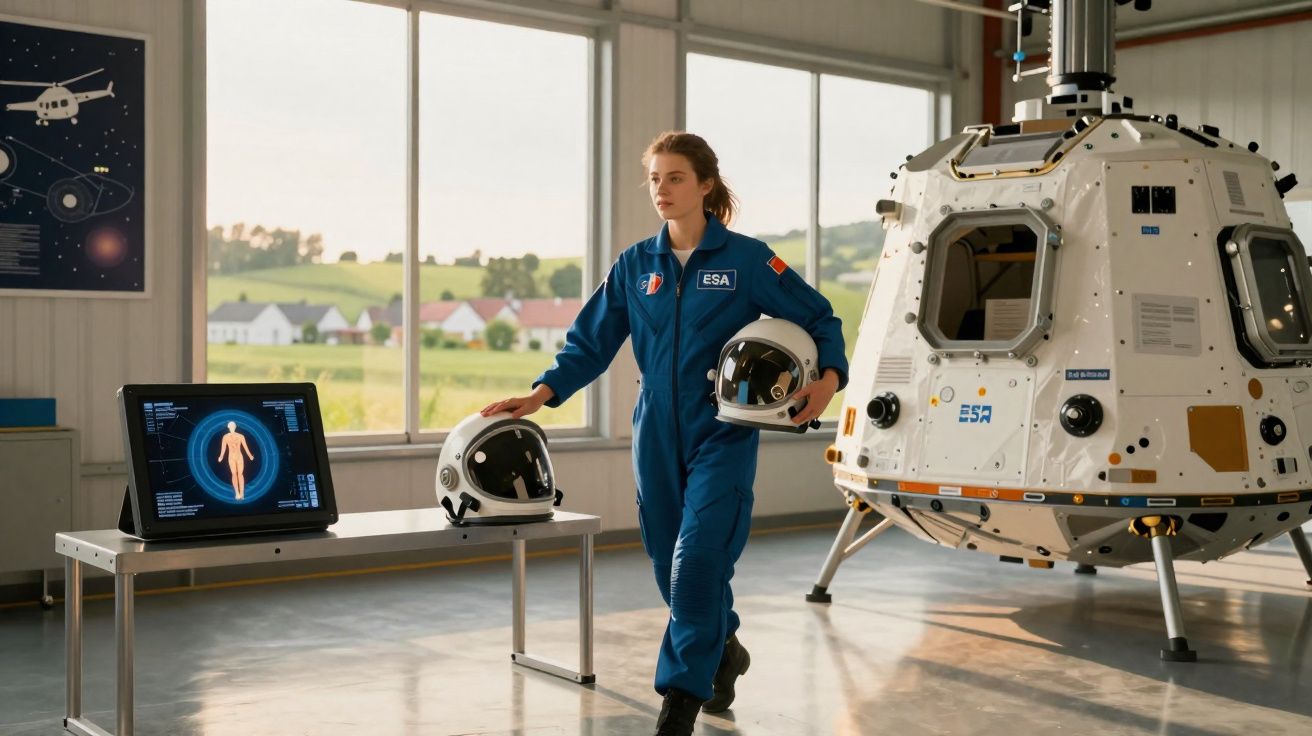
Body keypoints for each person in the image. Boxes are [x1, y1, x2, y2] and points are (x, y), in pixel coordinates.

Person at [481, 131, 847, 736]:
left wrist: (829, 379)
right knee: (666, 565)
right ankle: (724, 649)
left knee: (698, 561)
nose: (662, 189)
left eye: (675, 177)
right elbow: (589, 343)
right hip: (653, 426)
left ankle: (678, 703)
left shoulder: (748, 260)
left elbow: (819, 316)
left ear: (705, 185)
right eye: (655, 178)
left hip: (722, 427)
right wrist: (542, 394)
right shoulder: (635, 265)